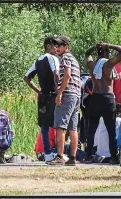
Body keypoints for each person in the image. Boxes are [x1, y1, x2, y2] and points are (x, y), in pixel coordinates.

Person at [81, 42, 121, 165]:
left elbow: (87, 53)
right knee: (111, 129)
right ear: (107, 53)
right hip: (107, 98)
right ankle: (114, 156)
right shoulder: (108, 64)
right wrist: (109, 45)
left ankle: (88, 155)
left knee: (92, 128)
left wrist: (95, 46)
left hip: (95, 97)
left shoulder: (92, 65)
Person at [46, 36, 84, 166]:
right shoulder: (74, 59)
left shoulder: (66, 58)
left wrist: (60, 92)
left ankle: (59, 156)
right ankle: (72, 157)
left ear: (66, 46)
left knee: (60, 126)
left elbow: (67, 75)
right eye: (56, 46)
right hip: (76, 95)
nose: (57, 48)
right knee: (73, 128)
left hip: (67, 94)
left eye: (60, 45)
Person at [24, 37, 61, 162]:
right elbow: (56, 73)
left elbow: (27, 78)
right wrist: (58, 91)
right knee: (58, 124)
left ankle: (47, 152)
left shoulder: (38, 61)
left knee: (44, 126)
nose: (56, 48)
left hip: (42, 96)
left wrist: (38, 91)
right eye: (54, 45)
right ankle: (57, 152)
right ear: (48, 46)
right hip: (52, 95)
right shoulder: (52, 58)